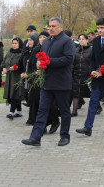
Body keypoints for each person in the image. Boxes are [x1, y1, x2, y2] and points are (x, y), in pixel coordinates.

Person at [22, 17, 75, 147]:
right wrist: (39, 64)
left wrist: (49, 62)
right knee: (42, 110)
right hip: (47, 82)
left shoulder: (67, 41)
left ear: (61, 27)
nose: (50, 28)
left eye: (53, 26)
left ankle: (64, 136)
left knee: (64, 111)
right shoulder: (46, 42)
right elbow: (41, 56)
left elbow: (68, 59)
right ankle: (35, 137)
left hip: (61, 83)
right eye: (49, 26)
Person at [76, 18, 104, 136]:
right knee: (93, 102)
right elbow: (93, 59)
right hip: (97, 77)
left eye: (102, 27)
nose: (99, 30)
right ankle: (88, 127)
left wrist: (103, 71)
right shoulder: (95, 41)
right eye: (98, 28)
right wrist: (93, 71)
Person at [24, 31, 50, 125]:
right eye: (40, 37)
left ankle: (48, 121)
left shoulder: (50, 48)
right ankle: (32, 119)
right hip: (35, 79)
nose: (42, 39)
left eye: (44, 37)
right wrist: (32, 73)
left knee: (44, 102)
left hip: (46, 80)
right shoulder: (36, 49)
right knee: (34, 99)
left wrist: (43, 71)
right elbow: (31, 63)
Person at [1, 37, 24, 120]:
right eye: (13, 43)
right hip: (9, 77)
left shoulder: (22, 53)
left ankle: (11, 112)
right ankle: (19, 111)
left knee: (15, 94)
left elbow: (23, 65)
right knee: (12, 93)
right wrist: (3, 67)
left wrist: (17, 67)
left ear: (19, 44)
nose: (14, 45)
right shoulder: (9, 52)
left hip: (17, 77)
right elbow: (4, 62)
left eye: (16, 43)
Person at [71, 34, 92, 117]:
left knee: (91, 93)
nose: (81, 40)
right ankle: (74, 111)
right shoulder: (76, 50)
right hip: (77, 75)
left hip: (87, 76)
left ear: (87, 40)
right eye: (80, 39)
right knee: (76, 93)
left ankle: (98, 107)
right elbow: (73, 63)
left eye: (83, 39)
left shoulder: (91, 50)